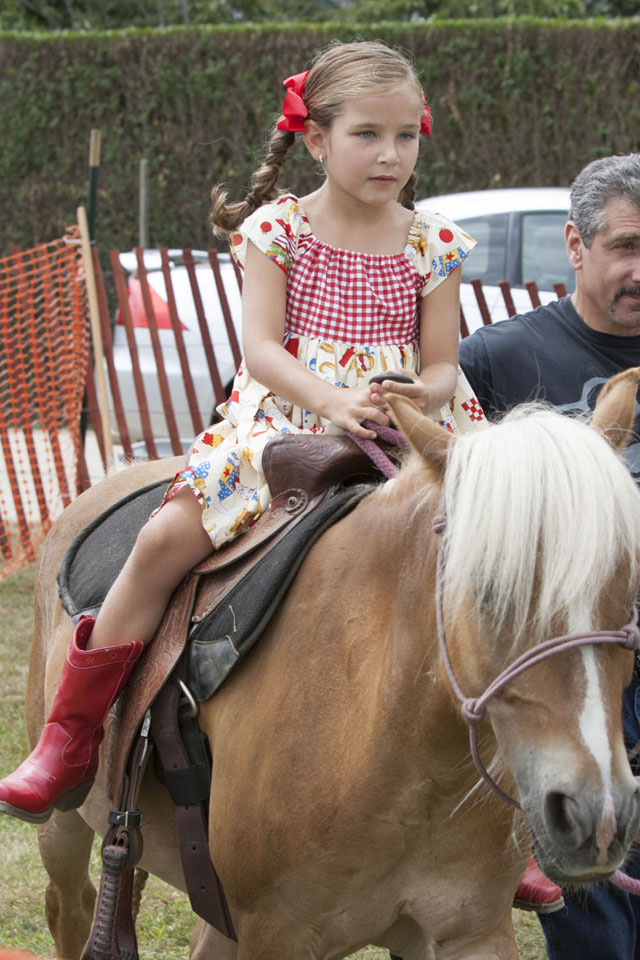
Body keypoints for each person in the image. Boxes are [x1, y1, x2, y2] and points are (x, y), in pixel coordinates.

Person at [0, 40, 483, 825]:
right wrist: (330, 400)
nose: (391, 154)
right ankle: (70, 736)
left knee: (493, 563)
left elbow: (441, 366)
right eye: (368, 133)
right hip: (285, 420)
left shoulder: (435, 242)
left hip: (411, 431)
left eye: (406, 135)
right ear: (318, 139)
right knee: (160, 543)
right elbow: (260, 350)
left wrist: (409, 395)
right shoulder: (277, 230)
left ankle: (500, 808)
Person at [459, 152, 640, 958]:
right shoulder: (499, 361)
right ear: (575, 245)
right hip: (570, 665)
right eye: (626, 246)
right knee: (592, 887)